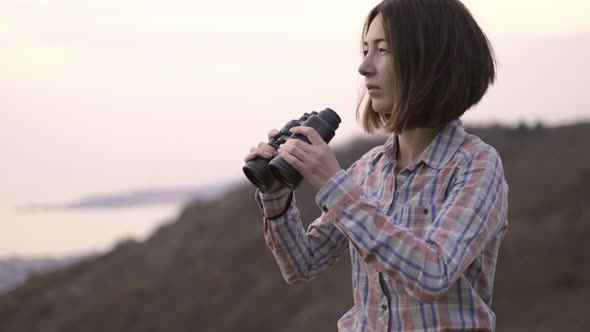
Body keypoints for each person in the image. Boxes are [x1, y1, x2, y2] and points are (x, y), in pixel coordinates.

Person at [243, 0, 509, 330]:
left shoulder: (476, 167)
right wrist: (275, 194)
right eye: (365, 50)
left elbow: (434, 273)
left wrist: (332, 183)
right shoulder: (369, 169)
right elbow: (303, 263)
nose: (365, 67)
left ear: (431, 61)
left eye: (382, 50)